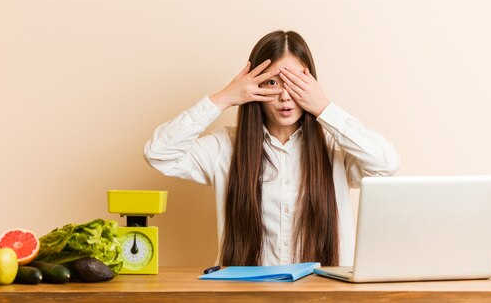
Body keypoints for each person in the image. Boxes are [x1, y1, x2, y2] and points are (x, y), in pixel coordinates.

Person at [144, 30, 400, 267]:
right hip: (246, 297)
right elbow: (159, 153)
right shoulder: (225, 148)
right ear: (254, 86)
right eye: (273, 83)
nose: (285, 96)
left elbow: (385, 164)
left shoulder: (336, 148)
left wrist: (324, 108)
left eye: (295, 83)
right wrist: (224, 98)